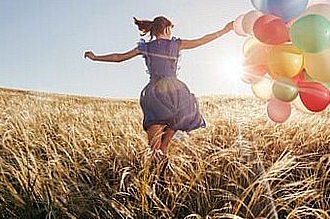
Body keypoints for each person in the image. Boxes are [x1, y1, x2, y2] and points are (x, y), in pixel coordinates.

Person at [84, 16, 233, 162]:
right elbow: (202, 40)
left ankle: (157, 173)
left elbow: (119, 57)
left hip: (155, 93)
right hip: (176, 93)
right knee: (168, 138)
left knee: (154, 148)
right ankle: (164, 164)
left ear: (153, 31)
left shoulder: (146, 47)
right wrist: (225, 30)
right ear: (167, 28)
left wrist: (96, 58)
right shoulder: (176, 44)